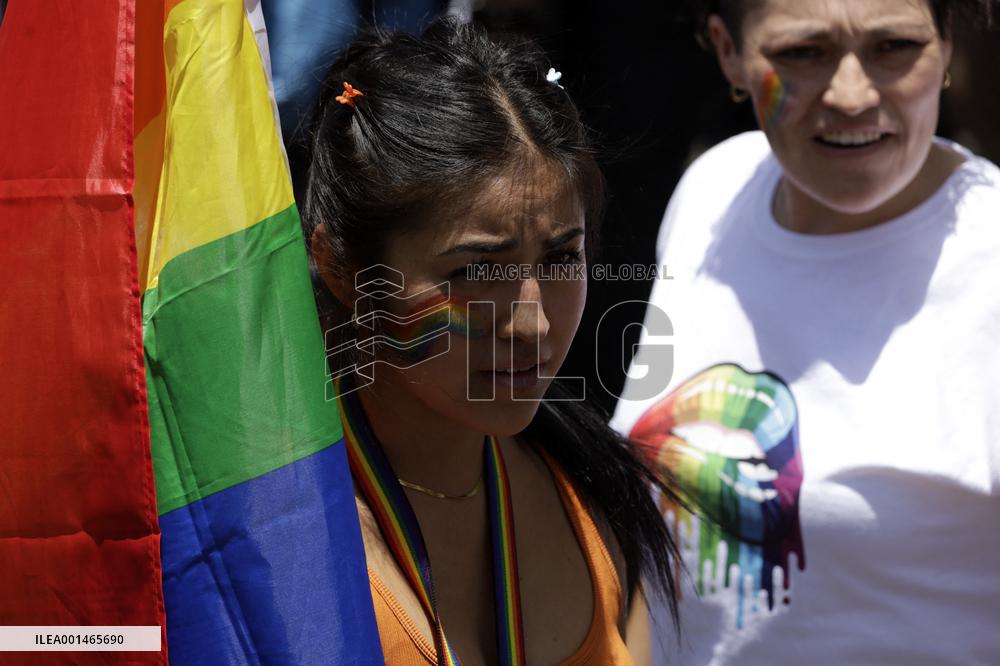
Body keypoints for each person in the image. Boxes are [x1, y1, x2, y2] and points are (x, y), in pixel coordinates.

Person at [611, 0, 1000, 664]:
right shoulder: (715, 190)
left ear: (950, 45)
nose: (851, 95)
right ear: (728, 52)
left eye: (895, 46)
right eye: (803, 53)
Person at [303, 18, 681, 665]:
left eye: (561, 257)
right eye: (477, 271)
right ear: (341, 267)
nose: (532, 324)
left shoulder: (599, 497)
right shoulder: (270, 540)